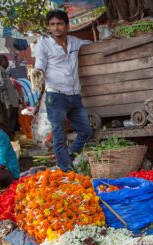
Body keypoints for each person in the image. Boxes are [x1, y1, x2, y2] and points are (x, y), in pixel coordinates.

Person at [33, 10, 93, 172]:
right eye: (52, 24)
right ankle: (66, 170)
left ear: (67, 26)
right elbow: (39, 64)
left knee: (86, 131)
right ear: (49, 27)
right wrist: (37, 72)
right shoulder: (43, 44)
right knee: (59, 136)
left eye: (59, 24)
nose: (56, 28)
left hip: (74, 96)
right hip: (55, 96)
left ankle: (70, 157)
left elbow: (90, 44)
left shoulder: (74, 42)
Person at [0, 55, 20, 137]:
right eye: (5, 60)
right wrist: (6, 103)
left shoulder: (4, 72)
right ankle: (11, 140)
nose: (8, 62)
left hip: (12, 102)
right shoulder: (0, 72)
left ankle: (14, 139)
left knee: (13, 124)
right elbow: (2, 89)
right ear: (0, 62)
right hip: (8, 103)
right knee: (9, 124)